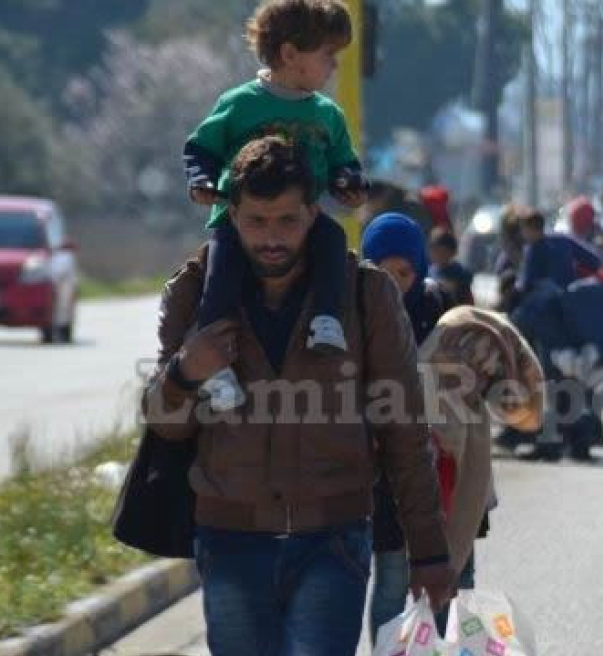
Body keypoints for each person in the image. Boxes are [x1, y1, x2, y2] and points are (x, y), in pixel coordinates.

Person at [143, 137, 452, 656]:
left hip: (332, 542)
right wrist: (185, 371)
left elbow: (404, 431)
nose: (271, 238)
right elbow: (165, 424)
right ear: (231, 215)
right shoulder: (195, 293)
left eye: (287, 220)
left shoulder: (366, 295)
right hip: (229, 540)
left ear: (312, 214)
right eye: (256, 221)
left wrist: (428, 552)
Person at [183, 0, 367, 411]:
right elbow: (200, 149)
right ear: (289, 54)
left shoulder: (328, 114)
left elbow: (344, 162)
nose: (334, 67)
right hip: (239, 225)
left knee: (333, 241)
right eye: (327, 56)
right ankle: (216, 369)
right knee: (220, 282)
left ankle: (325, 320)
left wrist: (349, 184)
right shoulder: (240, 103)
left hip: (305, 221)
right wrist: (202, 181)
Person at [419, 305, 546, 634]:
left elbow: (524, 407)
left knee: (459, 584)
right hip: (401, 492)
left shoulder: (440, 303)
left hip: (462, 493)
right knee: (397, 590)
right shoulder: (387, 311)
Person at [360, 213, 457, 640]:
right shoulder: (355, 313)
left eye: (403, 272)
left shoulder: (438, 307)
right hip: (384, 471)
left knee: (449, 578)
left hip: (443, 466)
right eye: (382, 272)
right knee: (391, 579)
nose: (393, 282)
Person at [428, 228, 474, 305]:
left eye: (443, 252)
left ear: (452, 252)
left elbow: (468, 302)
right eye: (435, 251)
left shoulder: (461, 274)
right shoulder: (428, 273)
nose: (439, 255)